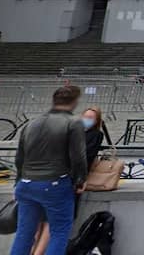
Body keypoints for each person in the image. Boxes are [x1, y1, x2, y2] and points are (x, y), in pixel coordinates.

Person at [9, 85, 88, 255]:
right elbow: (78, 157)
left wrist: (18, 182)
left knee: (24, 233)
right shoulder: (73, 123)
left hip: (26, 183)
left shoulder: (32, 123)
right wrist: (80, 180)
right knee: (59, 231)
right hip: (54, 182)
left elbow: (19, 157)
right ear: (74, 102)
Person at [31, 105, 111, 254]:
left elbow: (85, 157)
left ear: (96, 121)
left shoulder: (95, 135)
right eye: (85, 116)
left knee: (53, 221)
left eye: (91, 118)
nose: (86, 120)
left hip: (70, 180)